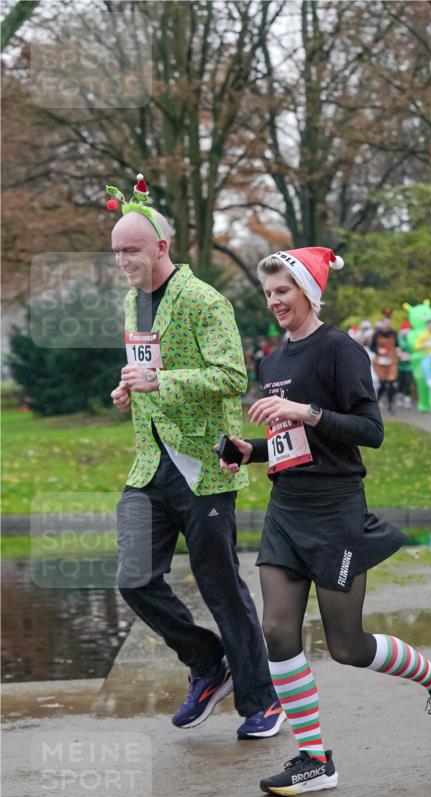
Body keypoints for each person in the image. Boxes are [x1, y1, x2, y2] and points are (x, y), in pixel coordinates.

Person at [219, 246, 431, 796]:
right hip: (287, 510)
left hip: (335, 511)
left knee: (347, 646)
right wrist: (252, 452)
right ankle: (313, 758)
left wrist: (304, 412)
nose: (274, 302)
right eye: (268, 294)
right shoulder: (272, 362)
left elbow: (369, 431)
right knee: (276, 630)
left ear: (308, 290)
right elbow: (294, 444)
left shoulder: (341, 351)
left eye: (283, 291)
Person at [107, 173, 281, 737]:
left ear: (161, 247)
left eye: (131, 250)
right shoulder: (132, 302)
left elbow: (231, 377)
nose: (122, 261)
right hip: (149, 465)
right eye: (116, 252)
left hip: (205, 467)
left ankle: (263, 703)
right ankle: (208, 664)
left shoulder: (205, 300)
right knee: (134, 578)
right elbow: (145, 368)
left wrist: (160, 381)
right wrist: (129, 387)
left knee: (221, 587)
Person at [370, 318, 399, 413]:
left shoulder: (393, 333)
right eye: (384, 323)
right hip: (380, 362)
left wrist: (399, 354)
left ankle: (391, 405)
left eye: (388, 323)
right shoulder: (376, 334)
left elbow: (397, 346)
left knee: (391, 384)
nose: (386, 325)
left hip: (391, 361)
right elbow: (372, 347)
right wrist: (378, 351)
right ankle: (377, 402)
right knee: (382, 384)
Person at [397, 322, 413, 408]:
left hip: (410, 365)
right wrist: (401, 355)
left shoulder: (411, 338)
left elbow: (414, 349)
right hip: (399, 365)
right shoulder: (398, 338)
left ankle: (407, 400)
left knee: (408, 382)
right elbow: (396, 349)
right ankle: (399, 398)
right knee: (400, 383)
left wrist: (411, 356)